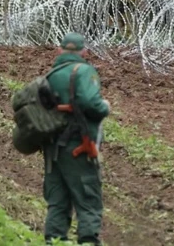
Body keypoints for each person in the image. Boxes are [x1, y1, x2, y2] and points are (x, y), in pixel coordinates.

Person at [43, 32, 110, 245]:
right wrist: (104, 107)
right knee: (88, 200)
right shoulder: (83, 71)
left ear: (60, 50)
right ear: (84, 51)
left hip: (52, 149)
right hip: (77, 146)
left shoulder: (51, 75)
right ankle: (88, 241)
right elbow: (91, 103)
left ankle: (54, 241)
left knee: (58, 202)